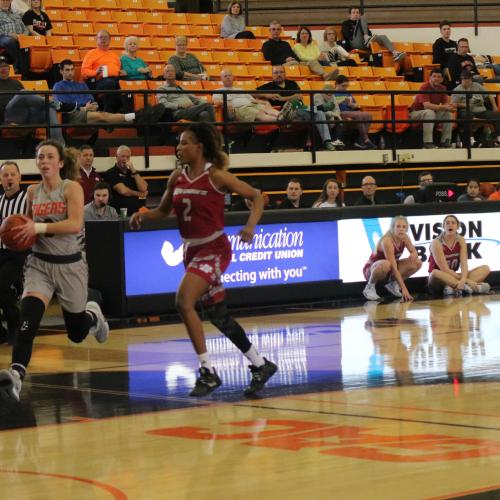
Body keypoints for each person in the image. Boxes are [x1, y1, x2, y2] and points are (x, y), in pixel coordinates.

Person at [130, 123, 277, 397]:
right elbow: (163, 211)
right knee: (219, 316)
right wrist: (143, 215)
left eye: (184, 143)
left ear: (198, 147)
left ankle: (207, 372)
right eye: (179, 143)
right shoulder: (177, 177)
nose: (179, 148)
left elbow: (256, 197)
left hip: (215, 248)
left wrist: (250, 227)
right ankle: (260, 364)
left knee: (183, 301)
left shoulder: (217, 177)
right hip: (191, 251)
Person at [0, 140, 109, 404]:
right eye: (40, 157)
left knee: (75, 333)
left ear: (60, 162)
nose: (44, 160)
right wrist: (17, 235)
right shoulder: (32, 192)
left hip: (70, 264)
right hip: (40, 265)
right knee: (29, 321)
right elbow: (25, 227)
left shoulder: (71, 188)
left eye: (49, 156)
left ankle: (92, 316)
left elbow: (74, 224)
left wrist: (37, 229)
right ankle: (16, 375)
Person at [53, 59, 164, 128]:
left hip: (88, 112)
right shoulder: (58, 86)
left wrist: (92, 106)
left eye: (72, 69)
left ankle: (141, 118)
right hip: (72, 116)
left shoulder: (81, 85)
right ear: (61, 71)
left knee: (110, 119)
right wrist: (85, 108)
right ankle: (138, 115)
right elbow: (64, 107)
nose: (70, 72)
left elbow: (93, 102)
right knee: (104, 116)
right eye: (67, 70)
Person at [257, 65, 336, 151]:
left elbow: (299, 96)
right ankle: (319, 107)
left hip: (301, 111)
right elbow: (251, 93)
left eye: (281, 72)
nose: (278, 74)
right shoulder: (268, 86)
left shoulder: (292, 83)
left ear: (285, 74)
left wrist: (282, 98)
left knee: (318, 113)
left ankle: (327, 141)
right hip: (286, 115)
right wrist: (267, 95)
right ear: (272, 75)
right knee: (292, 104)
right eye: (276, 72)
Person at [0, 54, 64, 143]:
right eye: (0, 66)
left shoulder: (16, 83)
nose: (3, 69)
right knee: (23, 93)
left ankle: (59, 145)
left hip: (26, 115)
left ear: (9, 68)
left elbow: (28, 101)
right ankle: (53, 103)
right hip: (8, 116)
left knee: (50, 109)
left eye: (5, 66)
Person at [428, 214, 491, 296]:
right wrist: (467, 280)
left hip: (454, 277)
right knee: (435, 273)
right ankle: (473, 287)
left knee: (485, 268)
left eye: (453, 223)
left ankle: (454, 289)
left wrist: (464, 278)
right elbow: (444, 269)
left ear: (457, 227)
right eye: (447, 223)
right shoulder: (436, 243)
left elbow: (464, 264)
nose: (450, 224)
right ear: (443, 227)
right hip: (439, 280)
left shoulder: (461, 240)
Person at [362, 215, 422, 301]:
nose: (401, 229)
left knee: (417, 262)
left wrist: (414, 254)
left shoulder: (405, 237)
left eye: (404, 227)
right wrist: (404, 288)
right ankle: (369, 287)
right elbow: (393, 267)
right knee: (386, 264)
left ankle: (393, 284)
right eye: (398, 226)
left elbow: (414, 251)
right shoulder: (387, 241)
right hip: (373, 269)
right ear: (392, 227)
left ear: (406, 229)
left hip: (389, 268)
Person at [0, 161, 27, 344]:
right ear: (1, 179)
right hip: (0, 250)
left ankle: (15, 327)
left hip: (19, 252)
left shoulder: (27, 198)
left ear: (19, 177)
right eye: (5, 175)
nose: (9, 178)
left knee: (1, 285)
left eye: (12, 174)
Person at [212, 68, 281, 123]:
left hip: (251, 104)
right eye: (225, 76)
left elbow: (252, 100)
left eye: (229, 75)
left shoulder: (239, 89)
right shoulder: (218, 91)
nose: (228, 77)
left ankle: (284, 116)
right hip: (240, 109)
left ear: (233, 77)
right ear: (221, 79)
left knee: (267, 108)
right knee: (260, 114)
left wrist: (263, 102)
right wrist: (225, 103)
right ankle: (283, 121)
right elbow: (216, 102)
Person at [451, 70, 500, 148]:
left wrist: (494, 106)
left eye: (467, 79)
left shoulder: (477, 85)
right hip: (467, 111)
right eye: (463, 79)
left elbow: (489, 95)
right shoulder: (457, 90)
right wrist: (465, 105)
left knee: (497, 115)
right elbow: (453, 104)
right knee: (467, 115)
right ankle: (471, 139)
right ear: (461, 80)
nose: (465, 81)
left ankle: (498, 138)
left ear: (471, 79)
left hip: (481, 110)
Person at [410, 69, 455, 149]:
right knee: (429, 112)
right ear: (430, 77)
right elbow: (426, 105)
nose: (436, 78)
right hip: (416, 113)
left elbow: (445, 104)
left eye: (438, 77)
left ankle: (445, 141)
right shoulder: (424, 86)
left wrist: (450, 107)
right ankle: (427, 143)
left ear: (442, 79)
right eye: (434, 76)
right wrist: (443, 107)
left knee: (447, 113)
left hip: (432, 113)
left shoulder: (443, 88)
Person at [81, 30, 124, 113]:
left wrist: (121, 72)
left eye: (106, 37)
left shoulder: (114, 55)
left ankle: (128, 115)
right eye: (101, 37)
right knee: (110, 84)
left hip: (116, 79)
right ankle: (107, 113)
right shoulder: (91, 53)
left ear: (110, 40)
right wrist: (95, 72)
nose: (103, 39)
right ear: (96, 39)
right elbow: (84, 71)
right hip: (98, 80)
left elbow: (118, 69)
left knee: (127, 85)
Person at [341, 7, 405, 62]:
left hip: (365, 43)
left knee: (383, 37)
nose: (356, 14)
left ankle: (395, 53)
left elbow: (369, 33)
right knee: (363, 18)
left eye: (357, 12)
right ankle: (366, 38)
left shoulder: (362, 23)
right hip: (354, 43)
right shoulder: (346, 23)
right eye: (354, 12)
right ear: (349, 15)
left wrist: (368, 36)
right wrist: (360, 30)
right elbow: (348, 36)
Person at [103, 145, 148, 216]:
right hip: (121, 214)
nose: (125, 159)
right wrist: (140, 194)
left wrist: (133, 169)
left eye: (127, 157)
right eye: (122, 156)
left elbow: (143, 188)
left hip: (138, 213)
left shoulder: (134, 173)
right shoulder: (110, 173)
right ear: (116, 157)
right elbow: (123, 191)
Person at [334, 75, 376, 149]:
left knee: (369, 115)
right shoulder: (331, 93)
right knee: (358, 115)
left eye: (347, 86)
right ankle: (366, 140)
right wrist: (340, 101)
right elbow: (332, 105)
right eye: (343, 86)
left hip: (351, 112)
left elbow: (356, 105)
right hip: (340, 112)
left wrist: (352, 105)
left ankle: (360, 140)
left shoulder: (348, 93)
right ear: (337, 84)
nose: (345, 88)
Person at [0, 0, 29, 73]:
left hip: (19, 37)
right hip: (3, 36)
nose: (5, 3)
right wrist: (11, 35)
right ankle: (16, 67)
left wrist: (23, 35)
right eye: (3, 1)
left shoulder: (15, 15)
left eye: (7, 1)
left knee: (26, 43)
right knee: (10, 41)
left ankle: (24, 70)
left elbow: (25, 29)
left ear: (10, 2)